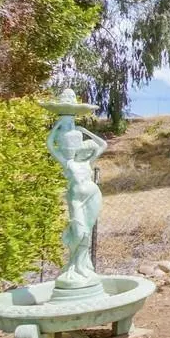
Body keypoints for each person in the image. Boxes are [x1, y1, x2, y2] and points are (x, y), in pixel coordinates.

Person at [46, 121, 107, 289]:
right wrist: (57, 126)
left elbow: (103, 144)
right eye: (85, 150)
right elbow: (50, 145)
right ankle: (74, 263)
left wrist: (84, 130)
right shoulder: (69, 163)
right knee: (78, 231)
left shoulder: (87, 163)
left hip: (93, 196)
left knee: (86, 232)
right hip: (76, 200)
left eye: (89, 151)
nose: (88, 153)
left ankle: (82, 265)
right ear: (79, 150)